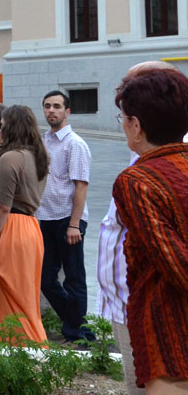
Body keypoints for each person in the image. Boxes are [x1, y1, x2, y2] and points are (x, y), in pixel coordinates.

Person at [112, 66, 188, 394]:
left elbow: (175, 262)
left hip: (171, 332)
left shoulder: (136, 181)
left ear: (137, 126)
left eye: (124, 118)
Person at [0, 105, 49, 344]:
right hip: (31, 229)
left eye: (2, 123)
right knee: (25, 300)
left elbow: (2, 206)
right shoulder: (39, 156)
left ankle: (21, 349)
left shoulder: (10, 158)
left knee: (8, 301)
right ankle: (32, 351)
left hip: (11, 229)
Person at [35, 89, 93, 343]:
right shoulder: (44, 140)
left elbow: (81, 185)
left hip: (68, 220)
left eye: (57, 106)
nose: (51, 110)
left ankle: (77, 333)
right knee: (46, 279)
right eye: (47, 106)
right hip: (46, 217)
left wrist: (74, 224)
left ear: (67, 112)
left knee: (74, 278)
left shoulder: (75, 144)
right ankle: (77, 325)